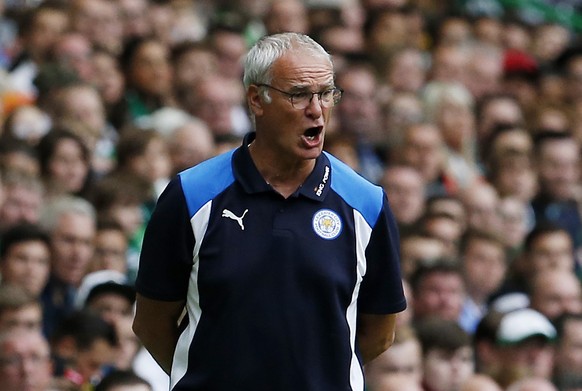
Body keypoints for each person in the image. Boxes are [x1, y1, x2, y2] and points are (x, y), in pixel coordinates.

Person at [133, 32, 406, 391]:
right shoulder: (191, 195)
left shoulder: (366, 203)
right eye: (298, 94)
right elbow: (152, 321)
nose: (316, 109)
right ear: (255, 99)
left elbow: (380, 331)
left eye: (326, 93)